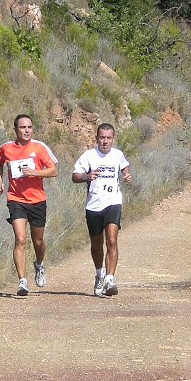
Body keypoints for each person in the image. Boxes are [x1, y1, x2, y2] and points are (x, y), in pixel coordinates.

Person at [0, 114, 58, 296]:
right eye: (22, 127)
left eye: (29, 127)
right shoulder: (6, 148)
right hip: (16, 199)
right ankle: (22, 281)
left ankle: (39, 264)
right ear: (15, 130)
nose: (27, 130)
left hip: (37, 200)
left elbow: (53, 170)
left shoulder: (39, 148)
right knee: (20, 239)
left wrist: (34, 172)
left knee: (37, 241)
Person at [72, 123, 132, 297]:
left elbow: (124, 166)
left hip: (113, 202)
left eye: (109, 138)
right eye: (102, 137)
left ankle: (110, 279)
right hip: (93, 205)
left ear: (113, 139)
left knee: (112, 240)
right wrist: (86, 176)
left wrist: (126, 174)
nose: (105, 141)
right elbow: (75, 176)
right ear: (97, 138)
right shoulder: (88, 156)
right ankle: (100, 275)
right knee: (96, 244)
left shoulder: (118, 155)